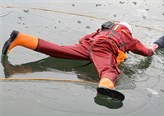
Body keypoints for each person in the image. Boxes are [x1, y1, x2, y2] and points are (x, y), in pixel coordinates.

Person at [2, 21, 154, 100]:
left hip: (88, 44)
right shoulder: (127, 37)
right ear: (128, 31)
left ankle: (21, 38)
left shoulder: (102, 30)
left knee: (57, 50)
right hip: (104, 47)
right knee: (109, 70)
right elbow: (144, 51)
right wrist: (152, 49)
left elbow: (83, 39)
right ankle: (106, 87)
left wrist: (88, 51)